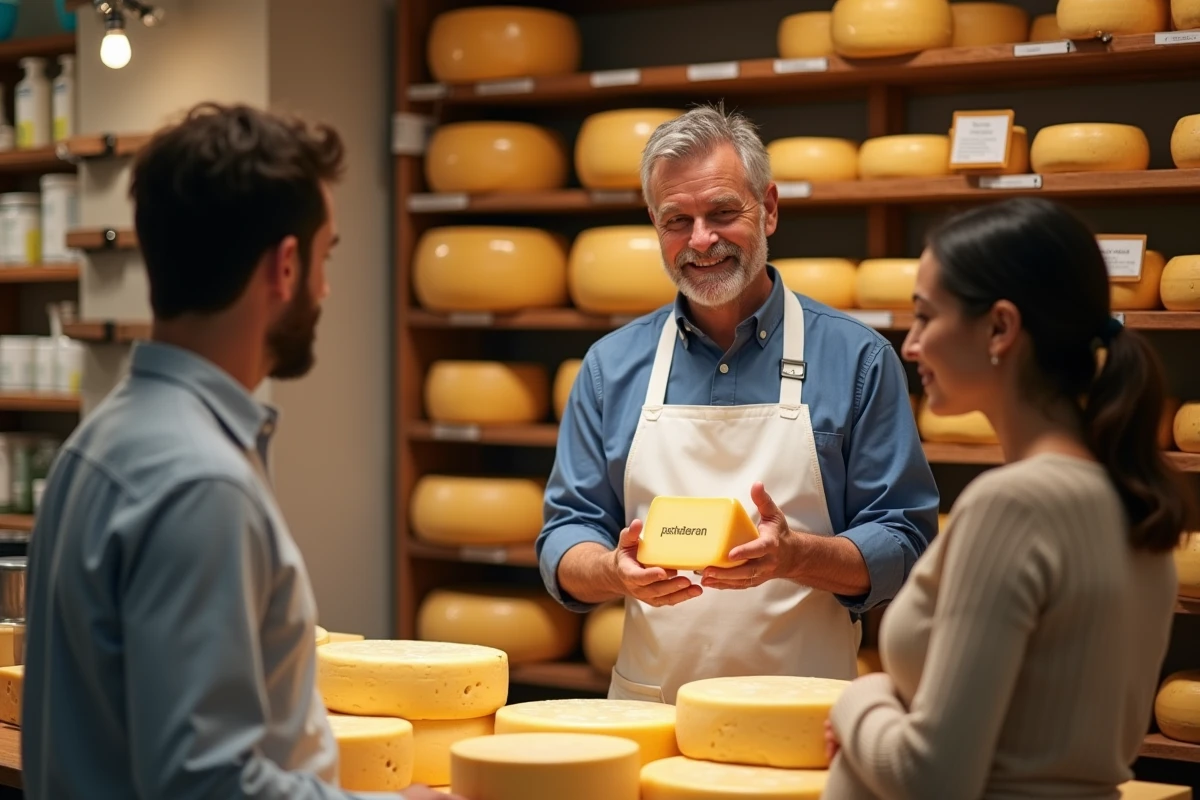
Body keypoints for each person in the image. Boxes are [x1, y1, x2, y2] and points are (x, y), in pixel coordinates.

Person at [21, 103, 460, 800]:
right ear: (286, 266)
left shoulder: (97, 444)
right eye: (325, 258)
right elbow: (203, 783)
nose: (325, 287)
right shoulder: (199, 483)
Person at [537, 103, 939, 704]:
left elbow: (905, 541)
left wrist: (794, 555)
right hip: (653, 711)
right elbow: (564, 535)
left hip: (802, 710)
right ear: (655, 223)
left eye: (723, 213)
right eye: (678, 220)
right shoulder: (610, 367)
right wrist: (610, 570)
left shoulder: (859, 360)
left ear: (769, 207)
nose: (701, 240)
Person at [823, 197, 1196, 799]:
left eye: (925, 317)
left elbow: (932, 780)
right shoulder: (1132, 495)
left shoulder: (1013, 505)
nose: (911, 345)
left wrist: (859, 701)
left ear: (1000, 327)